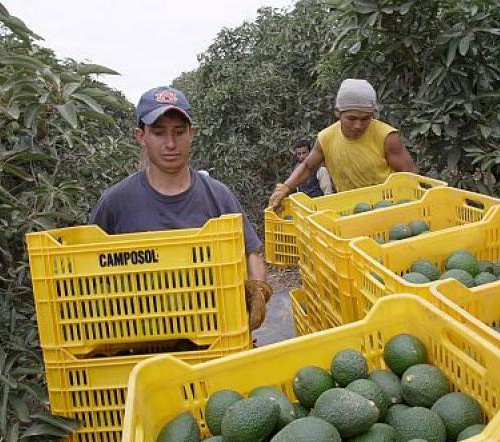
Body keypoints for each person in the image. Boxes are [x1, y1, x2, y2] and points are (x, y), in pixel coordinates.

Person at [89, 86, 272, 331]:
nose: (170, 143)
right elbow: (88, 267)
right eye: (158, 133)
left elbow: (252, 252)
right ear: (141, 136)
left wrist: (257, 288)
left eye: (179, 132)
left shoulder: (217, 196)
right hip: (139, 337)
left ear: (191, 133)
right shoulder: (115, 202)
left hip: (212, 332)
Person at [269, 78, 417, 210]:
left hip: (387, 207)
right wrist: (285, 187)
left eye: (365, 119)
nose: (358, 125)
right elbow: (308, 166)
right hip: (350, 210)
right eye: (351, 119)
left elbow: (411, 175)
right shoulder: (326, 138)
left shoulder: (386, 136)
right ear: (337, 113)